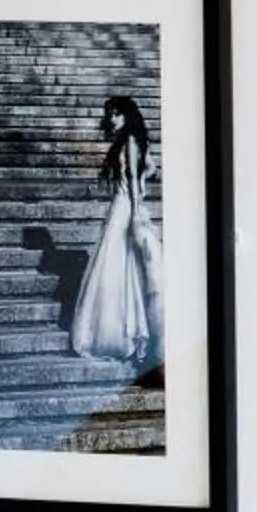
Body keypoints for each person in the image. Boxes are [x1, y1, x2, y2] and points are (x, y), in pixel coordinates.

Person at [69, 93, 164, 372]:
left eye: (115, 113)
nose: (111, 118)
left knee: (123, 268)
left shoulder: (131, 141)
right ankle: (127, 334)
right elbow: (144, 172)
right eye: (110, 114)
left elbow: (135, 177)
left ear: (126, 115)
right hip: (123, 207)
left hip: (125, 208)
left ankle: (125, 334)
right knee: (123, 269)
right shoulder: (128, 142)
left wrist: (136, 211)